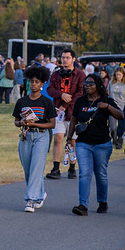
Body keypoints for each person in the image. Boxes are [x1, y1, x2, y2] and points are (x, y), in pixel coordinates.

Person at [68, 74, 123, 216]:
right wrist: (69, 138)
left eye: (91, 83)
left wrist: (107, 106)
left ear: (98, 85)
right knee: (84, 173)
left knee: (101, 174)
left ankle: (102, 201)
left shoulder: (106, 100)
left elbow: (120, 115)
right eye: (86, 83)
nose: (87, 85)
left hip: (102, 144)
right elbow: (74, 120)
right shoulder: (80, 101)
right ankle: (83, 205)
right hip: (83, 143)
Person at [12, 66, 55, 213]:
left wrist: (35, 123)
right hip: (25, 136)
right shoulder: (22, 101)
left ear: (42, 84)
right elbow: (16, 121)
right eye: (31, 81)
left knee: (37, 167)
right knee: (28, 170)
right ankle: (40, 193)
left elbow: (52, 123)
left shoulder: (46, 102)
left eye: (37, 82)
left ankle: (30, 200)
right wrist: (21, 123)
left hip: (41, 136)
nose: (34, 84)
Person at [46, 49, 85, 180]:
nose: (64, 60)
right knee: (57, 138)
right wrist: (61, 94)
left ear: (73, 59)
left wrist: (65, 105)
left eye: (67, 57)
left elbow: (80, 93)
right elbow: (49, 89)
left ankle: (72, 167)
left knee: (72, 141)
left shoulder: (80, 75)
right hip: (58, 113)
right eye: (63, 57)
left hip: (73, 113)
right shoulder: (56, 74)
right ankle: (56, 168)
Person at [108, 66, 125, 149]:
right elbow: (108, 93)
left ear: (123, 75)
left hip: (122, 107)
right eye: (117, 75)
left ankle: (119, 142)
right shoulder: (111, 82)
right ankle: (114, 139)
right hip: (113, 107)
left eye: (119, 75)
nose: (118, 77)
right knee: (112, 127)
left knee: (121, 126)